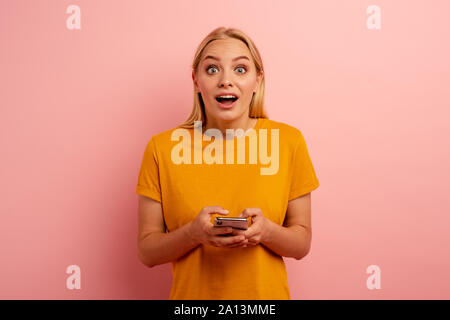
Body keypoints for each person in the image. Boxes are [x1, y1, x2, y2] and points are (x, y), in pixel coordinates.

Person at [136, 27, 320, 300]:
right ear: (196, 81)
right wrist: (193, 234)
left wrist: (266, 231)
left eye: (240, 69)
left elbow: (301, 244)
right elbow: (147, 252)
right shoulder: (161, 148)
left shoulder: (288, 141)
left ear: (257, 80)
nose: (226, 81)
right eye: (212, 69)